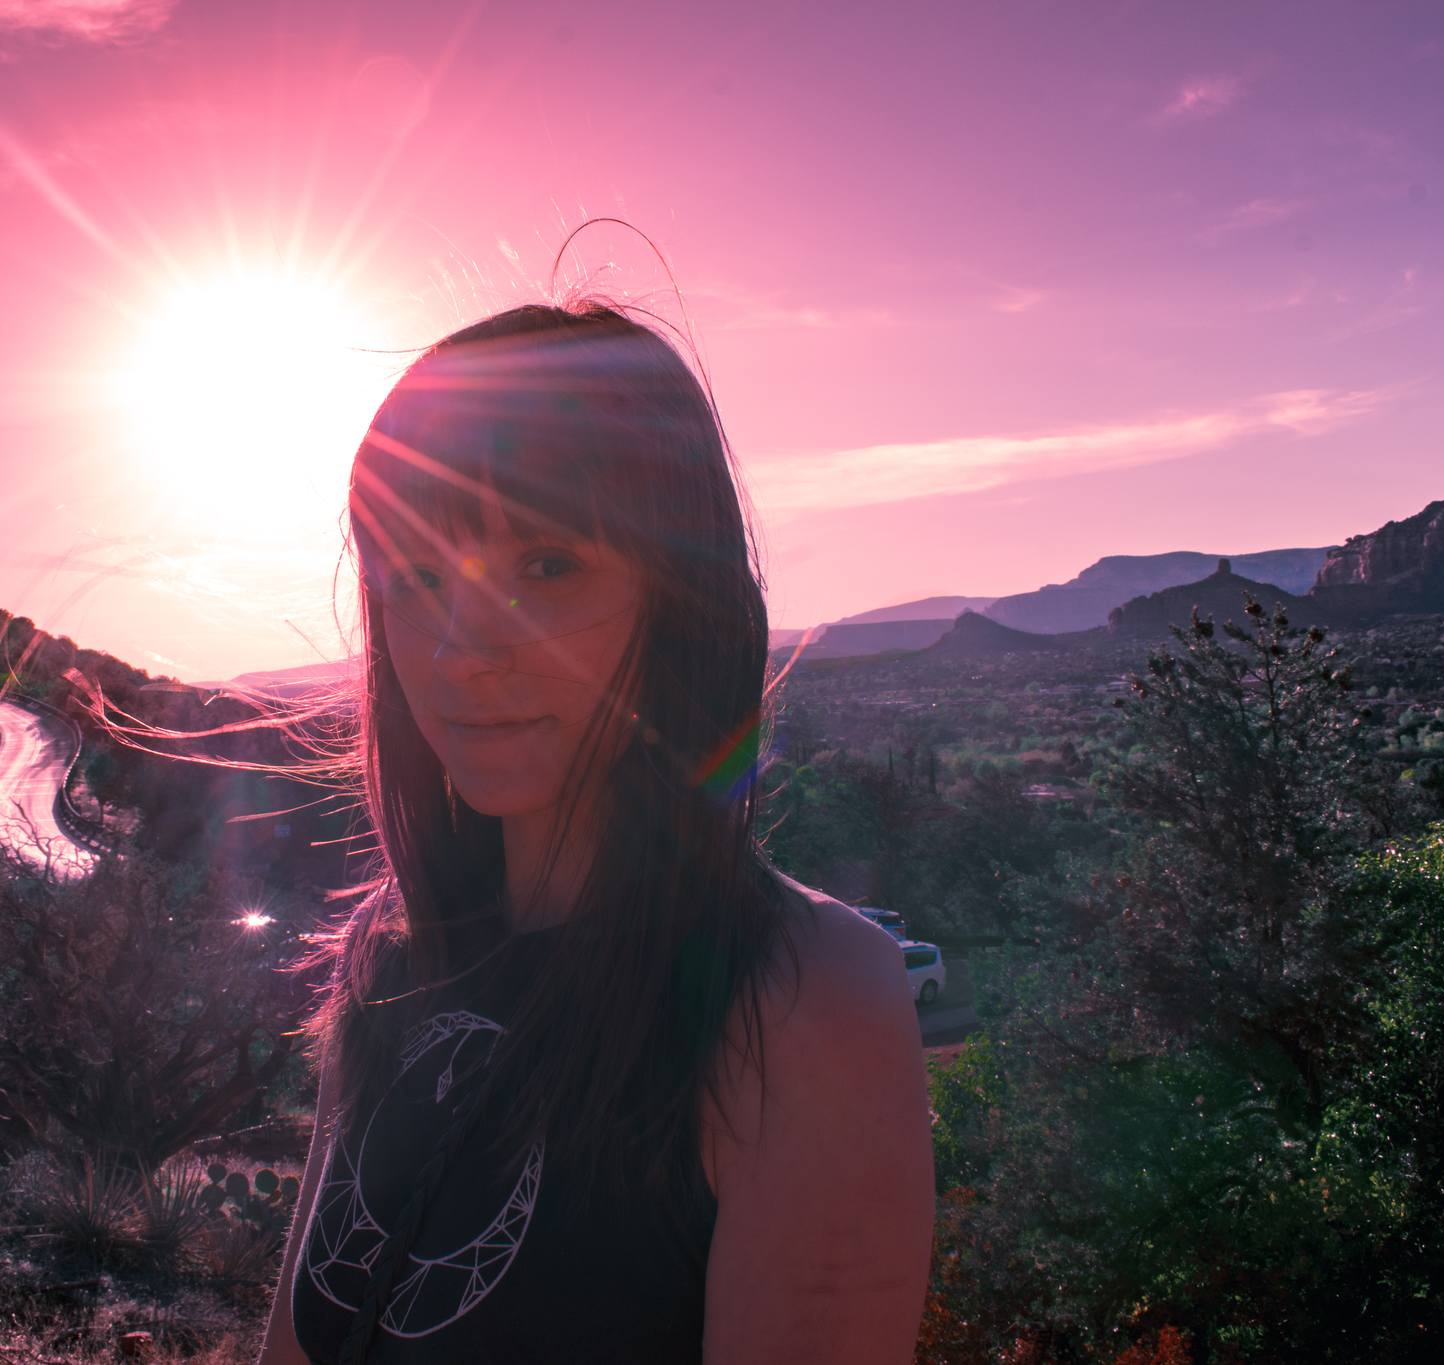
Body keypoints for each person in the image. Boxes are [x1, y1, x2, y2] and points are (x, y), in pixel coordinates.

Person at [255, 298, 934, 1364]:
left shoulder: (802, 999)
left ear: (679, 600)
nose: (462, 650)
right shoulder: (392, 958)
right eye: (418, 577)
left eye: (548, 564)